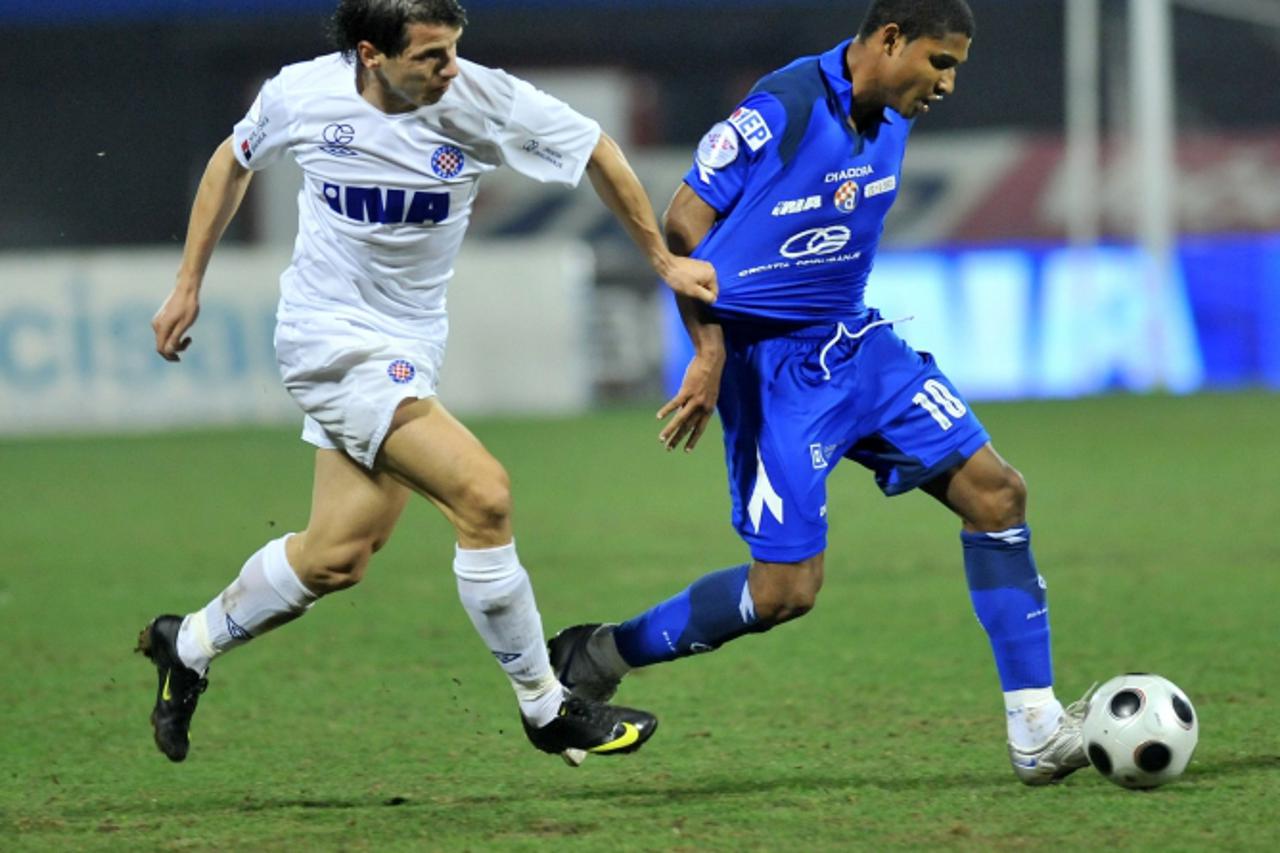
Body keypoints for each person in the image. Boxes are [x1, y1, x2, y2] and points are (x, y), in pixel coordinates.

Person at [137, 0, 718, 766]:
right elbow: (231, 161)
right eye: (432, 57)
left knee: (337, 554)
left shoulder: (484, 99)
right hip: (327, 342)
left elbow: (599, 152)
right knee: (484, 494)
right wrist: (187, 283)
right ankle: (547, 705)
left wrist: (661, 260)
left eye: (455, 50)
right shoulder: (301, 95)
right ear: (372, 54)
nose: (451, 69)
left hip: (408, 345)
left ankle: (190, 642)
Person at [548, 0, 1094, 785]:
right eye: (939, 63)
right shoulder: (785, 105)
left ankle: (1037, 726)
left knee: (998, 494)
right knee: (784, 592)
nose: (946, 85)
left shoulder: (896, 112)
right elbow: (680, 224)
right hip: (771, 371)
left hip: (861, 346)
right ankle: (599, 652)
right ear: (890, 39)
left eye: (956, 70)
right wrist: (708, 348)